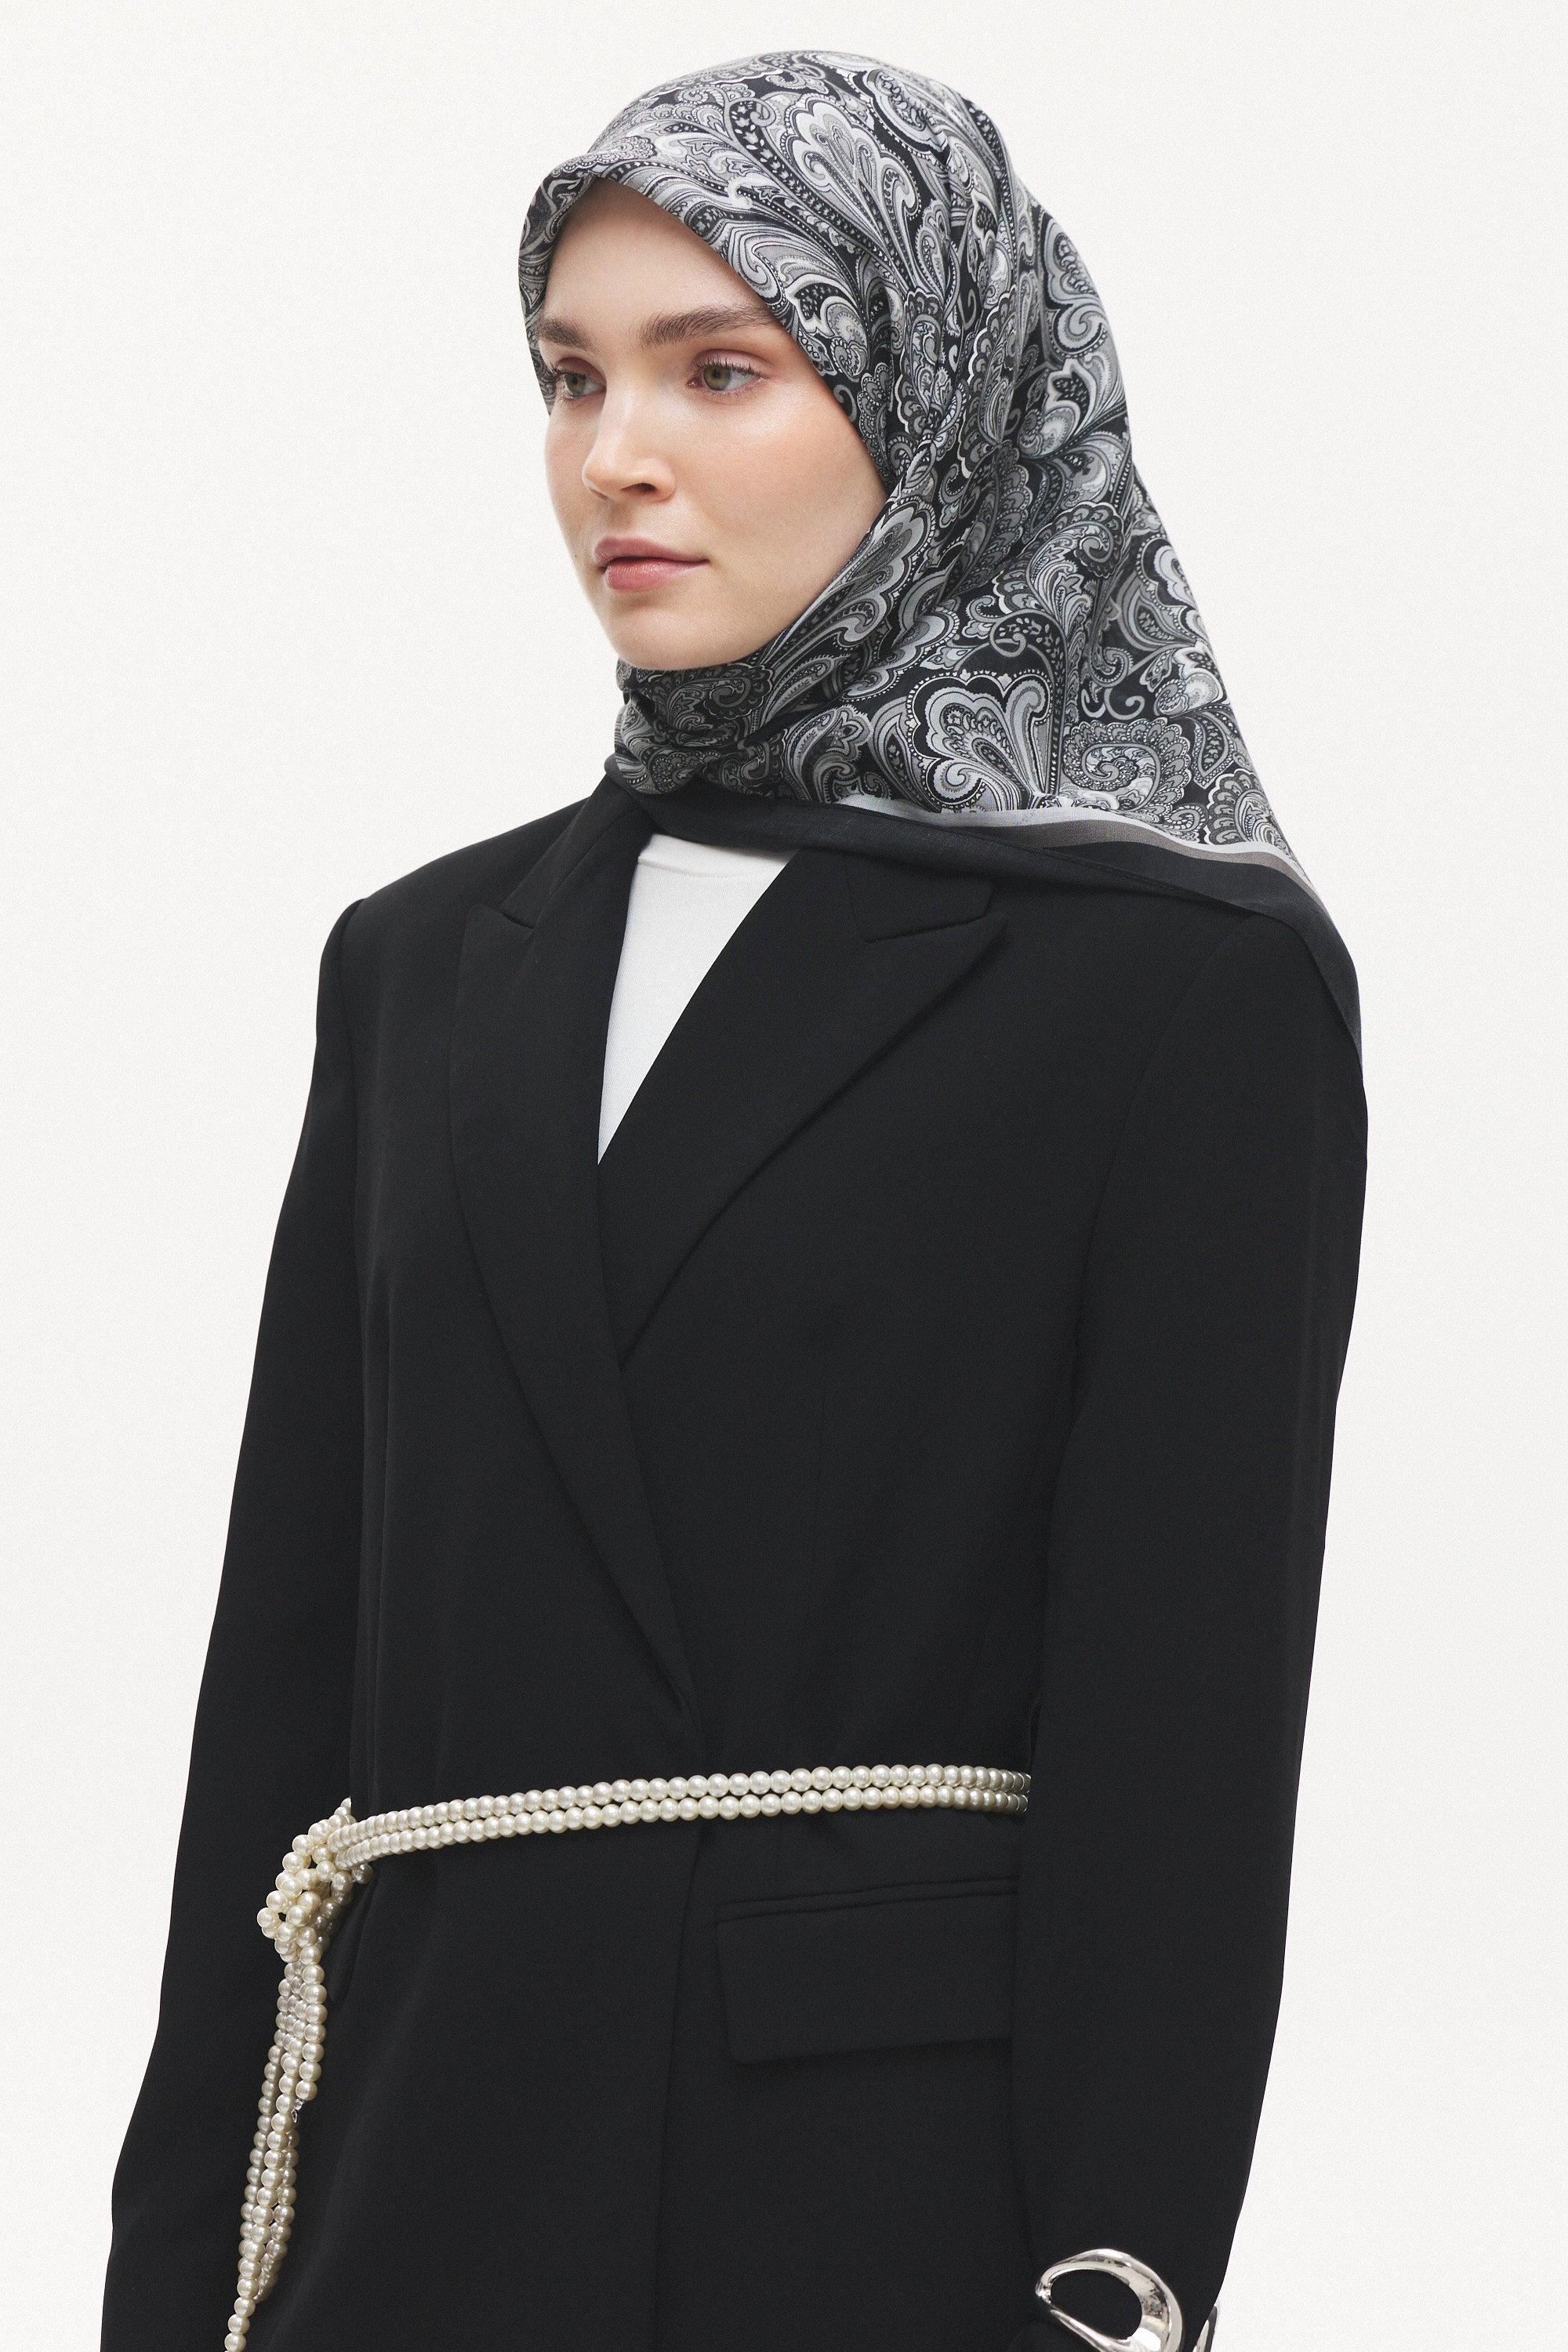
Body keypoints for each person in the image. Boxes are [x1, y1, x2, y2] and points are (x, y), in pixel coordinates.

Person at [102, 51, 1366, 2352]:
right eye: (570, 377)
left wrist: (1116, 2277)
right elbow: (279, 1709)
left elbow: (1186, 1736)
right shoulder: (421, 962)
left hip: (872, 2214)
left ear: (936, 392)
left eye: (720, 368)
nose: (617, 455)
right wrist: (179, 2279)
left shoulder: (1181, 984)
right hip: (409, 2192)